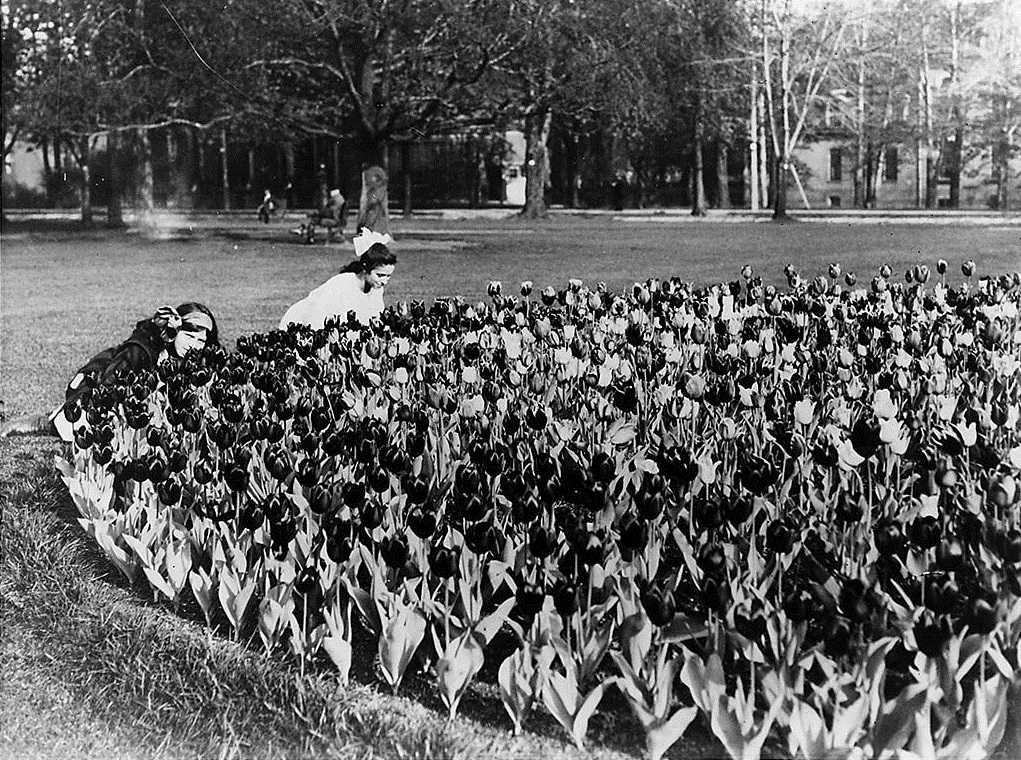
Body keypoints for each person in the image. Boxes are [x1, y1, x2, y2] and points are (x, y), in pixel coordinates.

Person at [0, 303, 219, 440]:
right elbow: (107, 388)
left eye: (201, 340)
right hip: (97, 400)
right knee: (79, 428)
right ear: (173, 332)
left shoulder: (191, 360)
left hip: (135, 413)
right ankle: (43, 421)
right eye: (189, 336)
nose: (195, 345)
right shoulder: (142, 350)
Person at [279, 232, 395, 330]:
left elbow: (376, 318)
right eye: (380, 275)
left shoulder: (376, 289)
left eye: (388, 276)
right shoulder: (343, 283)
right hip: (302, 324)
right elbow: (317, 314)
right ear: (365, 268)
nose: (384, 281)